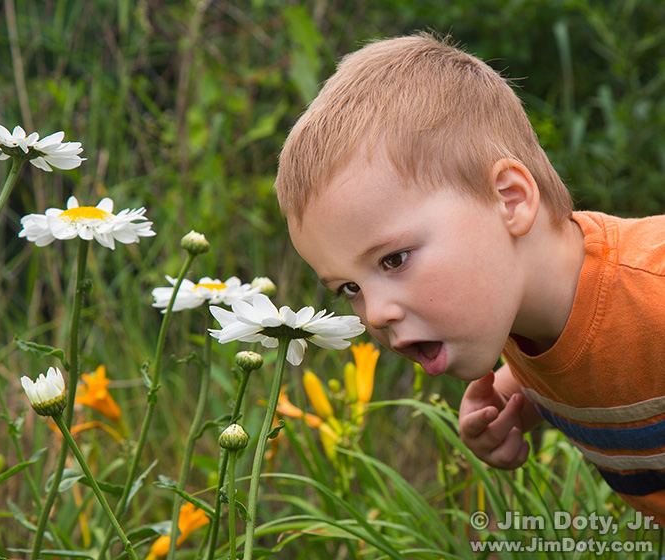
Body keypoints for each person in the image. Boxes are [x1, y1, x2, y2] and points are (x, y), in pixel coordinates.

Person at [273, 31, 665, 525]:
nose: (375, 313)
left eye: (393, 260)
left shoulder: (654, 290)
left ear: (510, 200)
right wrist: (517, 395)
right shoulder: (519, 318)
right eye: (349, 288)